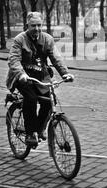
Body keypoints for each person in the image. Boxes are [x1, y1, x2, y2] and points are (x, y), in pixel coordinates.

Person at [6, 11, 74, 146]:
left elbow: (56, 58)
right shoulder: (20, 39)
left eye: (39, 25)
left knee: (49, 101)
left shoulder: (47, 39)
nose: (36, 28)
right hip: (23, 77)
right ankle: (31, 133)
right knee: (30, 98)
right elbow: (13, 59)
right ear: (27, 25)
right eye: (33, 26)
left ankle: (40, 128)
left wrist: (65, 73)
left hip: (40, 77)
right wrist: (21, 74)